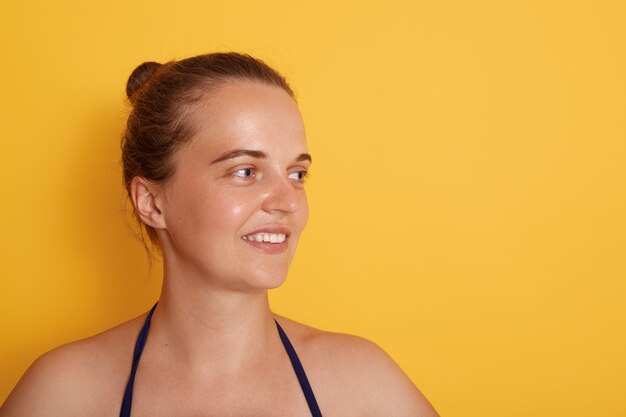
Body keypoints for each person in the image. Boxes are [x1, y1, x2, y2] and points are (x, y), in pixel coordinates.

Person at [0, 52, 439, 417]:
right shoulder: (63, 394)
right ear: (152, 202)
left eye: (296, 173)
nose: (287, 201)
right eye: (245, 171)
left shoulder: (362, 386)